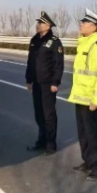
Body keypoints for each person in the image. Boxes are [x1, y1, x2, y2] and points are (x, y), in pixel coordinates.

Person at [68, 9, 97, 181]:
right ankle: (87, 161)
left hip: (91, 100)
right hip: (81, 97)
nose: (81, 24)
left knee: (94, 134)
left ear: (93, 27)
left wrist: (96, 99)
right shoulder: (84, 44)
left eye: (84, 22)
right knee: (83, 133)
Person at [25, 11, 64, 156]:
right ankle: (41, 140)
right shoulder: (35, 40)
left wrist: (55, 82)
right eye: (38, 23)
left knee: (49, 115)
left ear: (48, 26)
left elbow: (59, 64)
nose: (38, 25)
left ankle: (50, 144)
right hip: (36, 83)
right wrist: (28, 79)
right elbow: (30, 62)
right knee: (39, 114)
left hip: (48, 84)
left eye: (41, 23)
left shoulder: (54, 42)